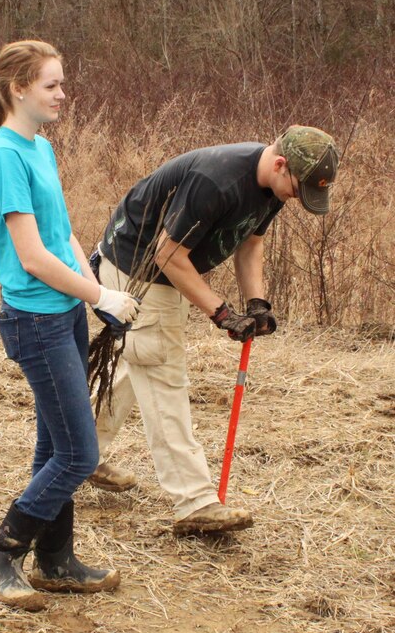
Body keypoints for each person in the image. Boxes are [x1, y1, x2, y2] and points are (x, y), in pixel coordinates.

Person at [88, 126, 339, 536]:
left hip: (162, 266)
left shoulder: (272, 188)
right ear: (280, 164)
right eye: (299, 187)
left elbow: (250, 243)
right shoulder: (217, 180)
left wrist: (256, 304)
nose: (297, 197)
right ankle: (195, 502)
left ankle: (77, 454)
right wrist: (221, 313)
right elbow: (167, 252)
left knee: (142, 359)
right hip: (137, 267)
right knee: (161, 369)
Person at [0, 40, 139, 610]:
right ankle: (1, 556)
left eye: (62, 84)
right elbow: (33, 257)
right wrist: (103, 294)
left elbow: (60, 234)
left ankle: (57, 561)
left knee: (55, 443)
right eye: (51, 85)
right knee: (79, 455)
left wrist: (92, 297)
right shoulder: (3, 156)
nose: (63, 95)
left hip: (63, 313)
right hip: (33, 322)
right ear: (18, 89)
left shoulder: (38, 148)